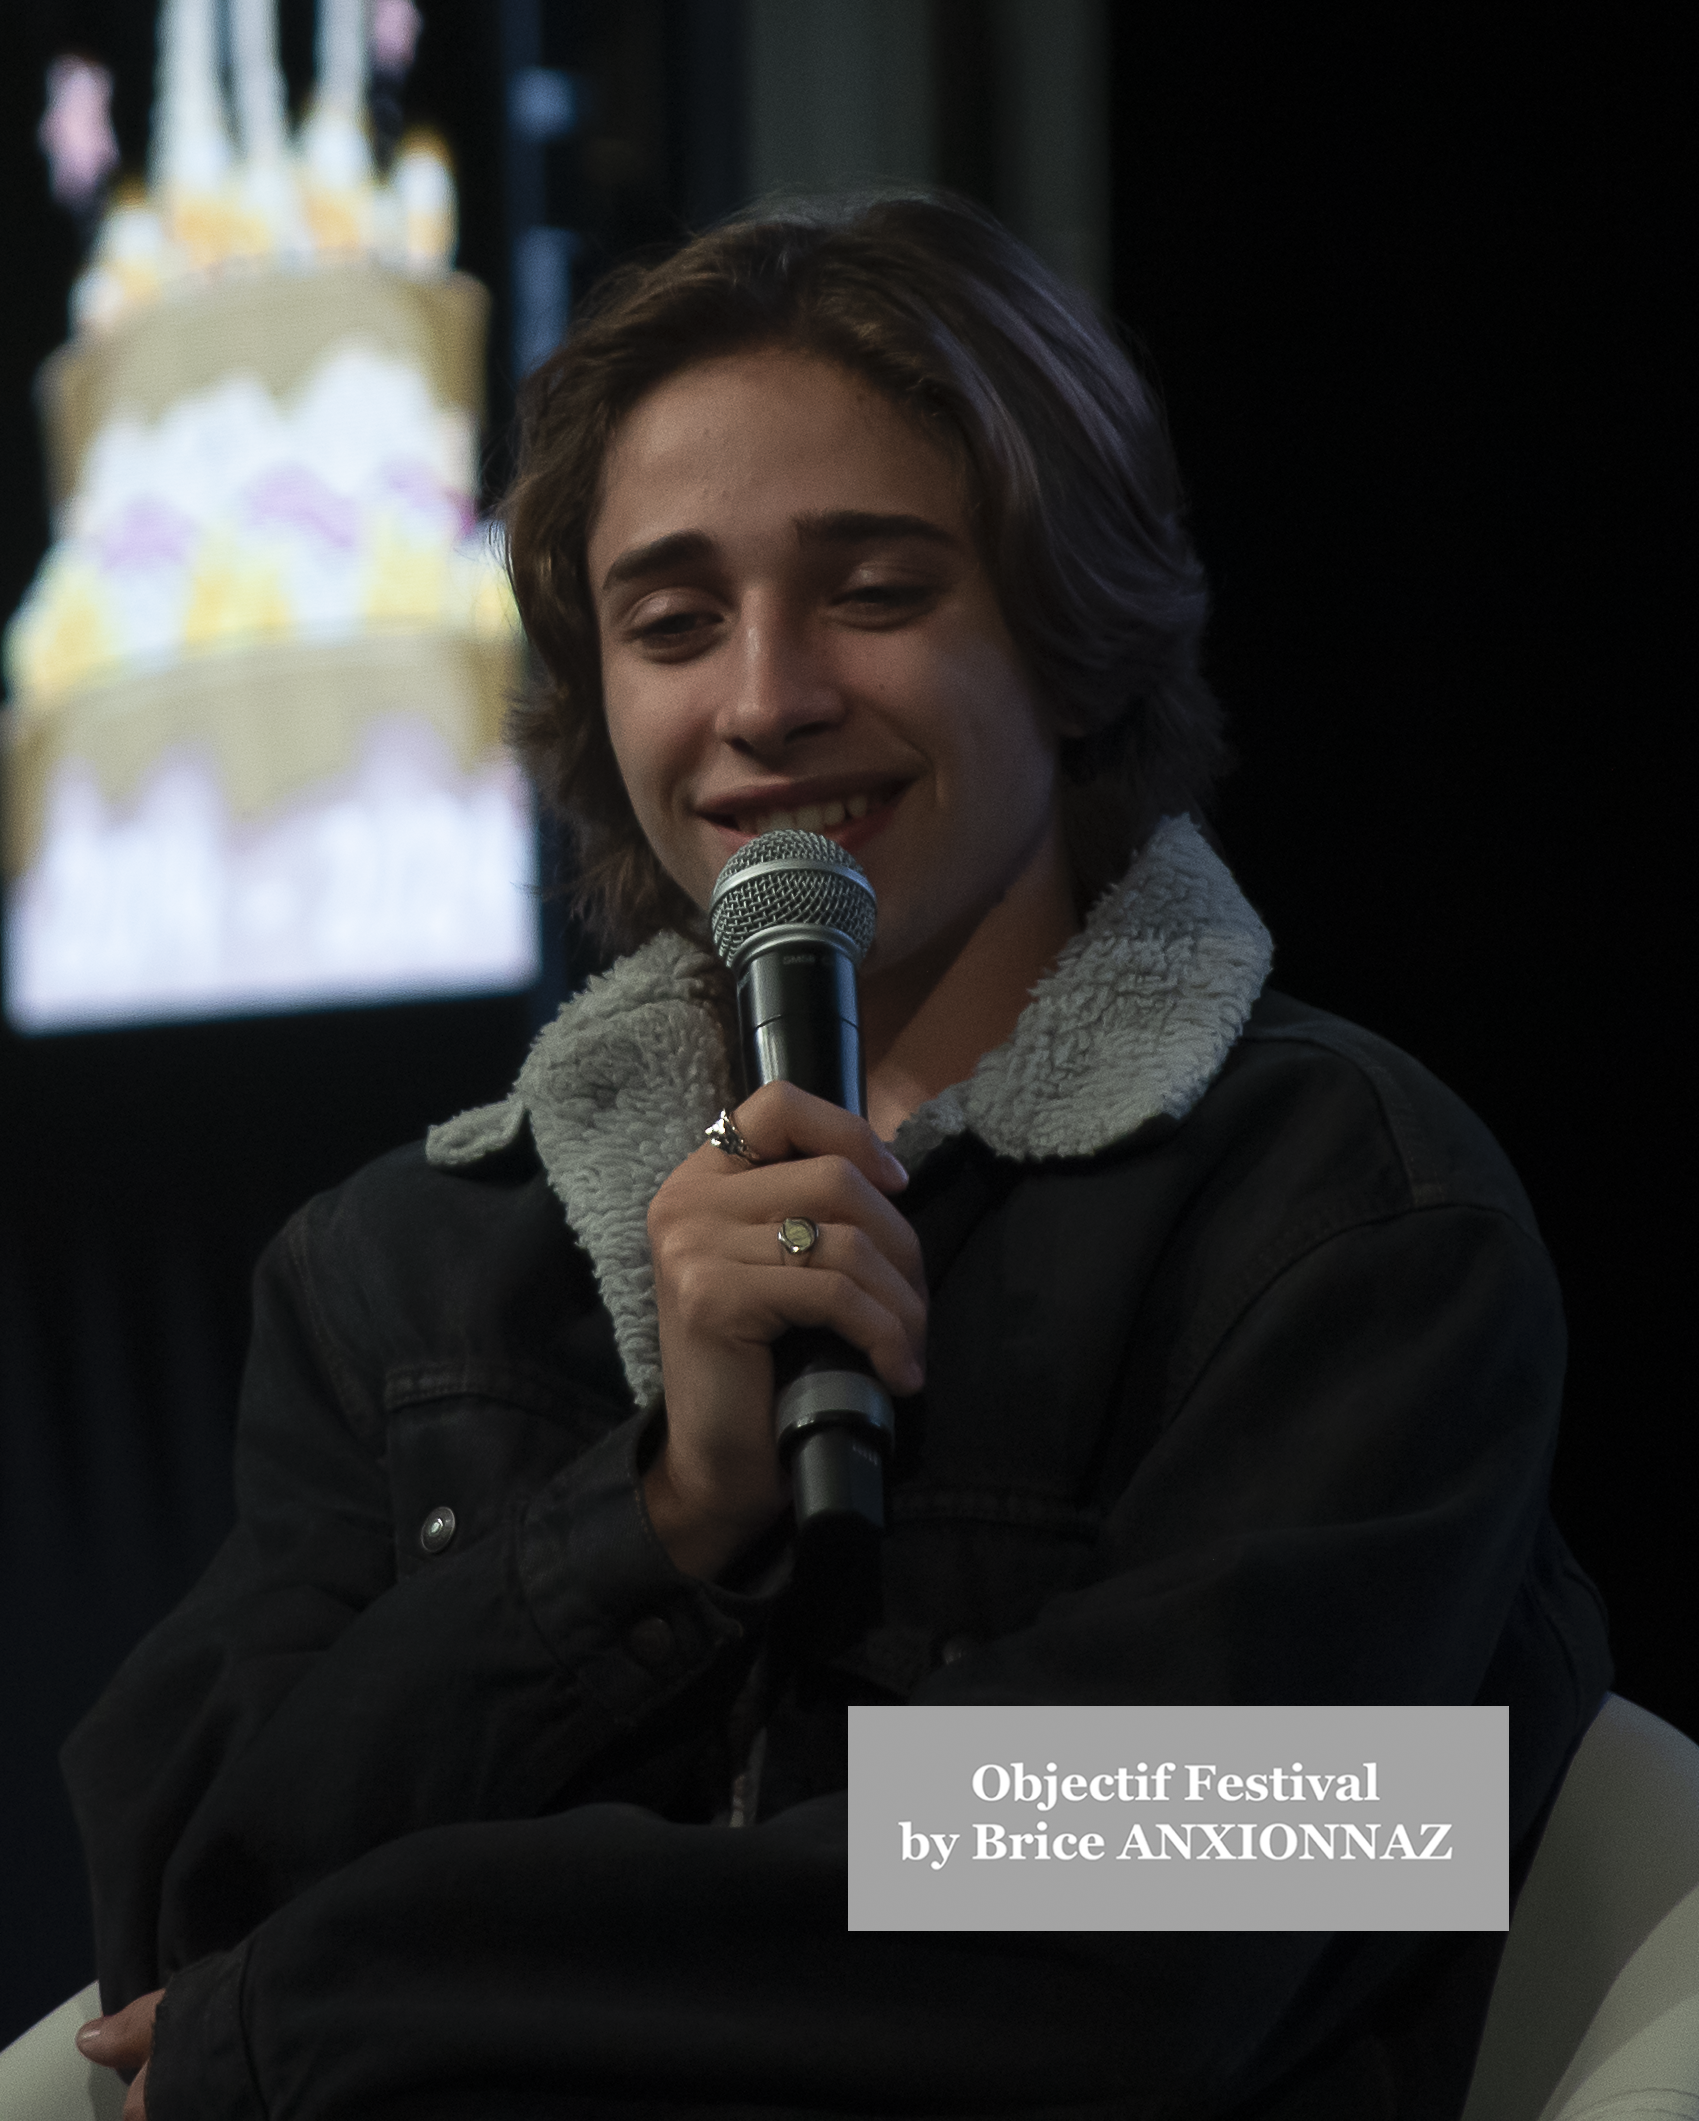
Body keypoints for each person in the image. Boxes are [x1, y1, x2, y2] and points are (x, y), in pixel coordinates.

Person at [64, 193, 1610, 2120]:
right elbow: (185, 1898)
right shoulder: (410, 1264)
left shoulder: (1350, 1216)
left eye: (874, 590)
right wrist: (659, 1516)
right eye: (672, 620)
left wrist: (343, 2011)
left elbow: (1144, 1953)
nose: (765, 696)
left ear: (1068, 634)